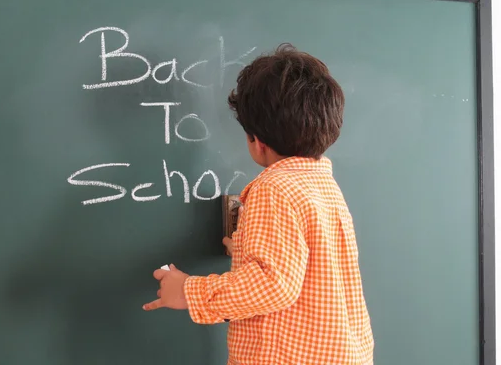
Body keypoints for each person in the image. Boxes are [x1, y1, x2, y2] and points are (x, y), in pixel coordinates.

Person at [143, 44, 374, 365]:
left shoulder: (274, 189)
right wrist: (247, 249)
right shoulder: (323, 184)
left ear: (257, 141)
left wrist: (188, 291)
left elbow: (273, 285)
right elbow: (301, 266)